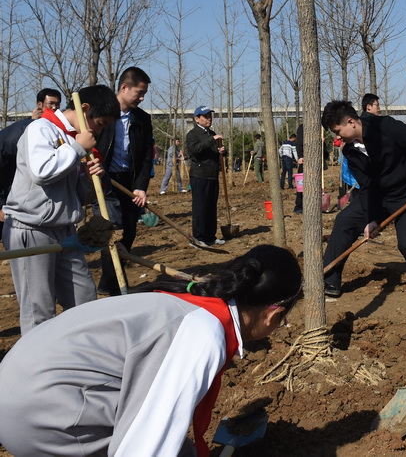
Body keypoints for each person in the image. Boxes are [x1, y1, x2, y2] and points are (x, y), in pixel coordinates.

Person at [0, 244, 302, 457]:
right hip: (40, 418)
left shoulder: (185, 299)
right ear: (273, 314)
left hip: (18, 387)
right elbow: (142, 449)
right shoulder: (202, 334)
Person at [2, 85, 119, 334]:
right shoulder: (41, 129)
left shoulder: (71, 138)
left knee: (84, 297)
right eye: (99, 123)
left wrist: (89, 177)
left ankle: (80, 349)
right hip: (31, 228)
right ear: (84, 108)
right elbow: (42, 172)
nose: (99, 131)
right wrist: (76, 148)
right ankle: (37, 357)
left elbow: (77, 195)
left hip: (65, 231)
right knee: (39, 308)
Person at [321, 100, 406, 303]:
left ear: (350, 122)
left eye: (337, 131)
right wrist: (372, 218)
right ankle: (329, 280)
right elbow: (367, 185)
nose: (337, 137)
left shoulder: (385, 126)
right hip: (379, 196)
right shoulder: (349, 151)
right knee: (345, 220)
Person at [95, 67, 154, 295]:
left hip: (129, 182)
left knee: (128, 232)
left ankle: (107, 281)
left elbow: (146, 156)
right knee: (112, 231)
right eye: (139, 93)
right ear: (124, 87)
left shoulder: (142, 119)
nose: (142, 98)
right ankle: (117, 287)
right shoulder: (101, 113)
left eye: (144, 94)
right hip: (104, 181)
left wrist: (140, 187)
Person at [0, 89, 63, 219]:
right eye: (51, 103)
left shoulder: (55, 131)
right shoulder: (20, 132)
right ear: (40, 105)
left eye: (57, 104)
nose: (54, 107)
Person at [186, 106, 226, 247]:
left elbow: (214, 152)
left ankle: (210, 236)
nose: (209, 119)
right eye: (205, 116)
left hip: (212, 175)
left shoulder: (211, 133)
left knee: (211, 207)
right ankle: (198, 238)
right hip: (200, 175)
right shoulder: (192, 134)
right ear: (197, 119)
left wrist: (221, 151)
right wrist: (212, 139)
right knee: (200, 207)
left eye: (210, 116)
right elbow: (195, 150)